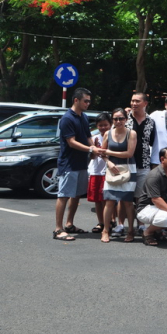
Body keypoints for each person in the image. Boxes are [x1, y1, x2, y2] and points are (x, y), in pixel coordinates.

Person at [54, 87, 100, 241]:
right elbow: (71, 142)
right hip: (69, 163)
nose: (88, 103)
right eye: (85, 101)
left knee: (76, 195)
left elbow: (87, 136)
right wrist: (90, 149)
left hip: (81, 163)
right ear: (76, 100)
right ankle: (58, 229)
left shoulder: (84, 117)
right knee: (64, 195)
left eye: (89, 101)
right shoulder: (67, 118)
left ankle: (69, 224)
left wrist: (92, 149)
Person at [100, 108, 138, 243]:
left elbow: (129, 153)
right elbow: (102, 153)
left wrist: (109, 152)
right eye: (115, 119)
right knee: (109, 201)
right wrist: (108, 162)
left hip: (128, 169)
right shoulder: (107, 134)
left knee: (128, 202)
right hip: (112, 169)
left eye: (121, 118)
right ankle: (105, 230)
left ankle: (131, 231)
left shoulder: (131, 133)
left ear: (126, 119)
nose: (118, 121)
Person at [136, 146, 167, 246]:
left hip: (161, 207)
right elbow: (156, 199)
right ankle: (147, 232)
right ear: (162, 159)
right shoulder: (154, 175)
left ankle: (158, 230)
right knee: (166, 217)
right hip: (146, 208)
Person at [126, 92, 155, 206]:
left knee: (141, 197)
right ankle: (121, 224)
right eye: (132, 101)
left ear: (145, 103)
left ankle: (141, 223)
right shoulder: (124, 119)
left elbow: (152, 142)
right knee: (124, 196)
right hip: (125, 163)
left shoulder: (151, 121)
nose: (134, 103)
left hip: (143, 164)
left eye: (137, 101)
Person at [87, 113, 112, 235]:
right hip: (96, 170)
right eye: (100, 125)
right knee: (97, 199)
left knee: (107, 199)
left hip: (108, 171)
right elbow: (91, 156)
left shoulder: (114, 136)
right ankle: (101, 222)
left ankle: (111, 222)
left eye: (105, 125)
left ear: (110, 125)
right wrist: (94, 148)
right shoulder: (94, 137)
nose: (103, 127)